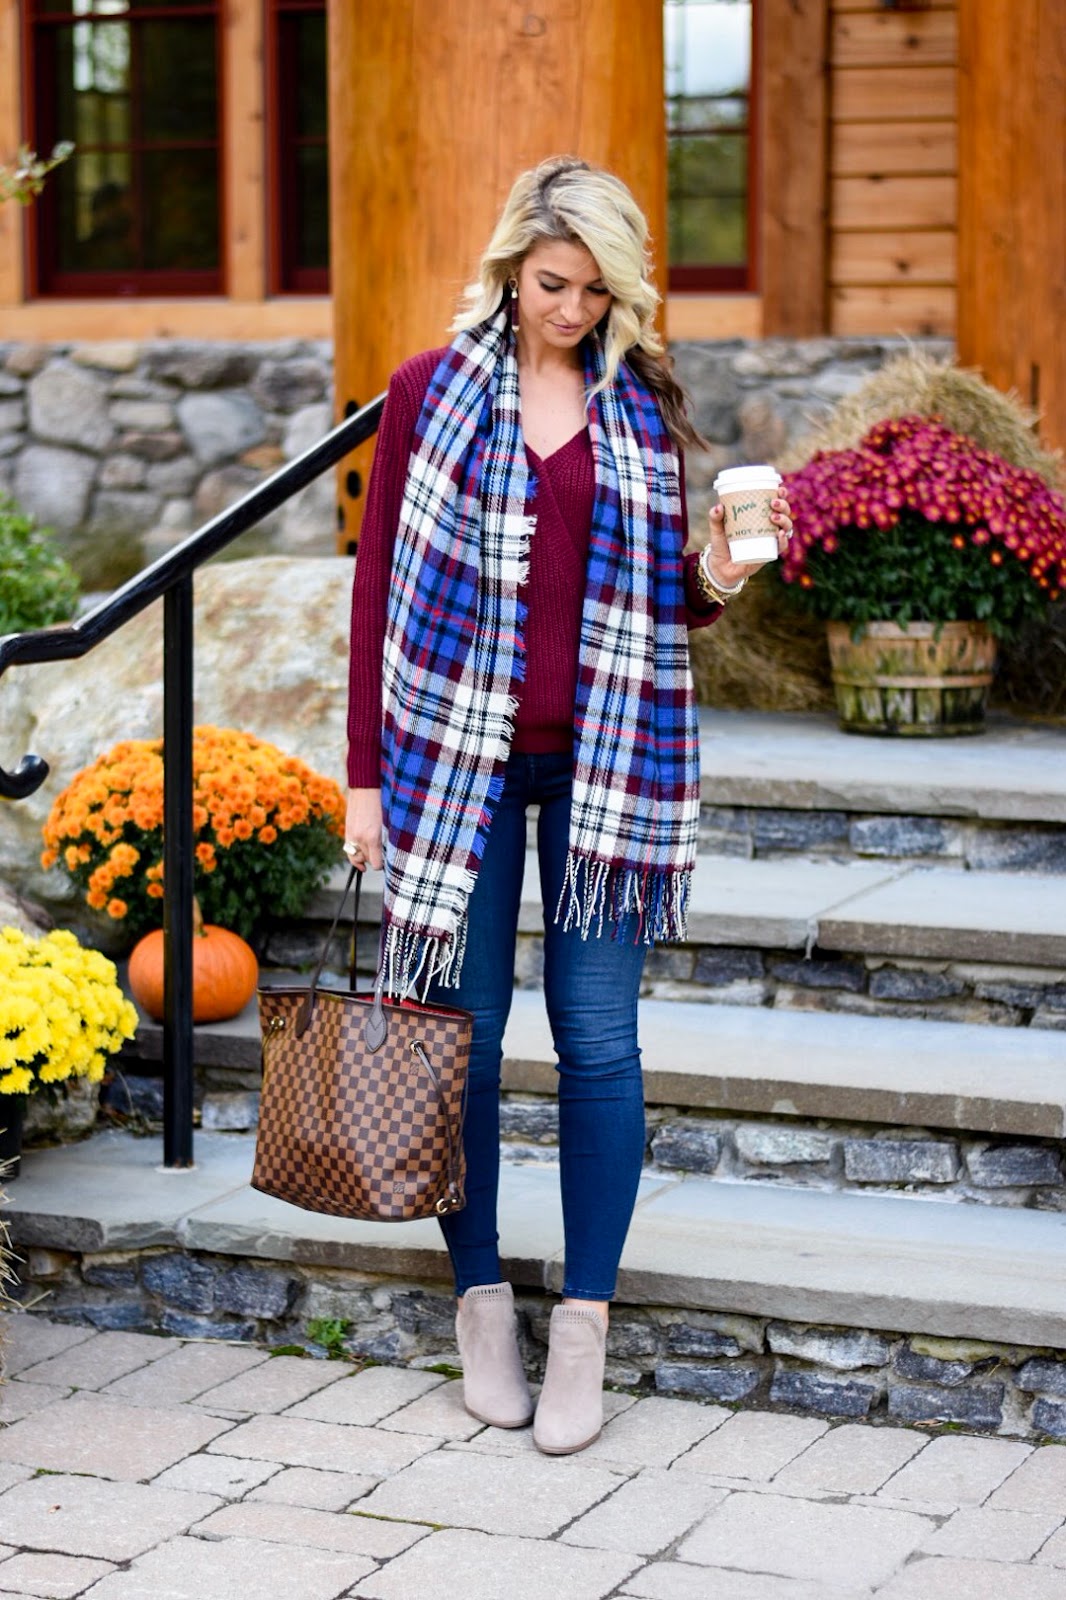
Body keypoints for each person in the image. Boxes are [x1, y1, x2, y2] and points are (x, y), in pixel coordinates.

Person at [344, 156, 792, 1455]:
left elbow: (670, 599)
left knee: (598, 1043)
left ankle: (584, 1323)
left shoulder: (638, 402)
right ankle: (481, 1302)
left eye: (596, 290)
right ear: (508, 270)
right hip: (455, 763)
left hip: (606, 767)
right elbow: (375, 589)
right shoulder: (427, 392)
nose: (572, 309)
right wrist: (363, 777)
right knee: (466, 1042)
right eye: (552, 283)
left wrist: (723, 567)